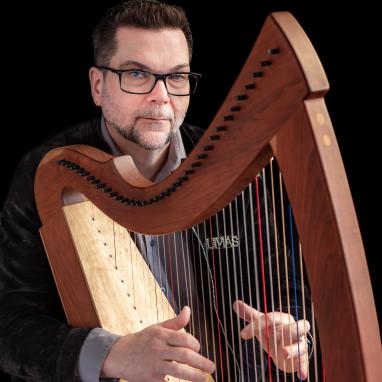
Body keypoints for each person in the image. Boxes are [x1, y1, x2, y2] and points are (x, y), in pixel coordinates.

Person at [0, 1, 311, 381]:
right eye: (136, 74)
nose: (161, 96)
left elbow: (285, 289)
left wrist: (290, 332)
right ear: (98, 86)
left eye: (177, 77)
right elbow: (10, 327)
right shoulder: (49, 173)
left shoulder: (233, 170)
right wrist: (111, 354)